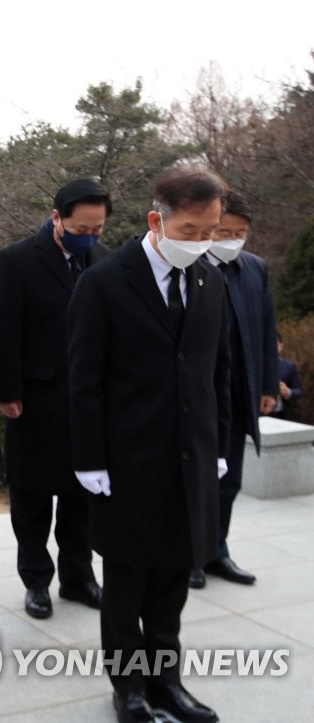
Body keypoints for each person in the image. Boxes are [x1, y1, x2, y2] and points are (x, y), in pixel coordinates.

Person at [68, 166, 230, 723]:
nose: (202, 243)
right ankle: (128, 688)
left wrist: (221, 443)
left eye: (211, 231)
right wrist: (89, 460)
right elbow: (83, 378)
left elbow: (218, 373)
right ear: (155, 220)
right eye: (190, 231)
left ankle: (167, 683)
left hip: (189, 463)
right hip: (126, 464)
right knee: (126, 587)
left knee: (172, 584)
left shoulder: (211, 281)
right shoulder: (106, 282)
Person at [0, 179, 111, 619]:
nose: (90, 236)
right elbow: (3, 329)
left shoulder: (104, 261)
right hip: (36, 400)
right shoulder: (18, 260)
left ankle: (78, 578)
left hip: (88, 403)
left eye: (98, 229)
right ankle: (36, 580)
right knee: (32, 499)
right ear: (57, 217)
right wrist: (8, 392)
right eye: (82, 227)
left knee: (83, 498)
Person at [189, 191, 277, 589]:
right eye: (224, 231)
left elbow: (265, 329)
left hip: (241, 392)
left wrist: (269, 385)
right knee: (196, 480)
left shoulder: (254, 269)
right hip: (200, 397)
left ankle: (216, 551)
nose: (232, 239)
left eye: (240, 233)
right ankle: (190, 553)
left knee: (230, 480)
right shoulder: (187, 267)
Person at [272, 333, 302, 419]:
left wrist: (287, 392)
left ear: (281, 346)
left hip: (282, 414)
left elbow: (298, 391)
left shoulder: (289, 366)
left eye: (275, 344)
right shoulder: (254, 367)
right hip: (259, 415)